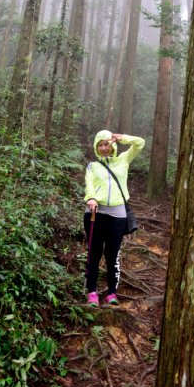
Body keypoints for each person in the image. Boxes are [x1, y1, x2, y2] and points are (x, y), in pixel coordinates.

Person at [84, 129, 145, 307]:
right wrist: (91, 198)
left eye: (106, 144)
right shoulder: (92, 166)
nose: (103, 148)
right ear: (96, 147)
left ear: (112, 145)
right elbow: (89, 184)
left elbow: (140, 142)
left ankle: (112, 293)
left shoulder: (123, 160)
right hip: (96, 213)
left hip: (118, 215)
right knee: (93, 254)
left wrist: (122, 138)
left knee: (113, 255)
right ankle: (92, 293)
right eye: (100, 145)